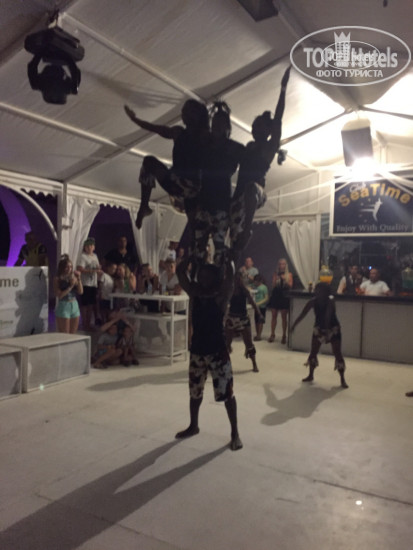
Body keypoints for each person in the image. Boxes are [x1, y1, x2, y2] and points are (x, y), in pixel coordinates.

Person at [175, 256, 242, 451]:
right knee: (195, 393)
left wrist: (228, 258)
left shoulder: (220, 296)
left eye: (207, 276)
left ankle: (235, 433)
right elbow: (180, 272)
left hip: (217, 351)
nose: (203, 279)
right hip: (198, 350)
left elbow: (231, 278)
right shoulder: (195, 293)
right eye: (201, 275)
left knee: (227, 394)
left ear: (215, 277)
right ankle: (194, 425)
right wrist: (190, 256)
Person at [230, 66, 291, 251]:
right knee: (234, 244)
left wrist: (283, 89)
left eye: (258, 126)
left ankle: (248, 228)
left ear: (268, 130)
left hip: (256, 193)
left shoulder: (270, 147)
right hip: (240, 195)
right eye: (253, 126)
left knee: (251, 188)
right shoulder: (249, 146)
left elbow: (278, 118)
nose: (254, 129)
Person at [124, 100, 209, 228]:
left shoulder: (202, 136)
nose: (183, 114)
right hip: (177, 182)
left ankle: (144, 206)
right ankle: (144, 206)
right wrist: (135, 120)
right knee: (149, 161)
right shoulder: (179, 132)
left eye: (186, 111)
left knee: (194, 228)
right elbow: (156, 128)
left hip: (192, 189)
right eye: (183, 111)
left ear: (196, 115)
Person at [290, 282, 348, 389]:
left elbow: (328, 315)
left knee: (337, 353)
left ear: (326, 292)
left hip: (332, 328)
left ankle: (342, 378)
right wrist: (294, 324)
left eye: (320, 290)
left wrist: (326, 330)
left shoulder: (330, 300)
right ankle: (311, 375)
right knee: (313, 352)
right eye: (317, 290)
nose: (318, 292)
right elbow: (303, 313)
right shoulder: (313, 301)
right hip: (320, 328)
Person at [225, 272, 262, 372]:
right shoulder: (230, 290)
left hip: (243, 318)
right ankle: (225, 365)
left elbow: (252, 302)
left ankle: (254, 363)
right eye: (236, 279)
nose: (238, 281)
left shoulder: (244, 290)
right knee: (226, 344)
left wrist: (259, 314)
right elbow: (224, 302)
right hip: (232, 317)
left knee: (249, 343)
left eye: (239, 279)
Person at [76, 237, 102, 331]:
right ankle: (84, 323)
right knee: (85, 304)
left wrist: (98, 269)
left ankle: (88, 323)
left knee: (91, 304)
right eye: (88, 246)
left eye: (91, 245)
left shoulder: (95, 256)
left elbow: (97, 267)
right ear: (85, 247)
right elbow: (80, 268)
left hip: (93, 283)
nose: (90, 247)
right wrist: (92, 271)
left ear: (94, 247)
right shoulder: (83, 256)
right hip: (85, 283)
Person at [53, 255, 83, 333]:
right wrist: (70, 286)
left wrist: (79, 279)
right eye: (67, 267)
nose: (69, 269)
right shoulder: (57, 279)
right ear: (62, 267)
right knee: (65, 335)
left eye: (71, 267)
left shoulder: (73, 277)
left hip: (74, 304)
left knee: (73, 334)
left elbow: (80, 292)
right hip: (64, 305)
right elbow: (59, 296)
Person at [267, 258, 293, 343]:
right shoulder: (275, 274)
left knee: (284, 316)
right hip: (276, 295)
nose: (281, 265)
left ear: (286, 265)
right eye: (280, 264)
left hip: (284, 296)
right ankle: (272, 334)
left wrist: (284, 279)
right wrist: (276, 279)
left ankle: (284, 335)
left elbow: (290, 285)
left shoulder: (289, 274)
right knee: (273, 315)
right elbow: (273, 285)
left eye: (283, 264)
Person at [252, 274, 269, 341]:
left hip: (262, 307)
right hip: (256, 307)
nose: (255, 282)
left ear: (260, 281)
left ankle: (259, 335)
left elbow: (266, 298)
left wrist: (259, 303)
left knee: (260, 321)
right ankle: (257, 334)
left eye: (256, 281)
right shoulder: (255, 287)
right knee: (256, 320)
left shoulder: (264, 287)